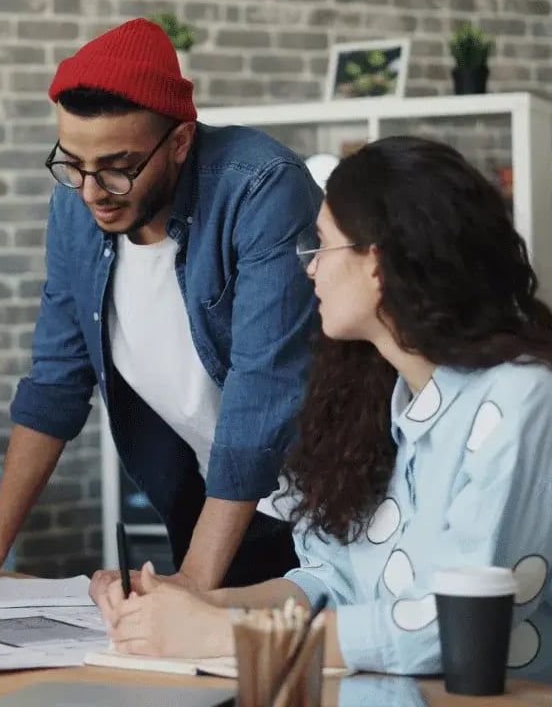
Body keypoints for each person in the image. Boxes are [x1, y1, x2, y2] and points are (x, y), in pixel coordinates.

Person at [95, 136, 552, 681]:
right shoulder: (379, 399)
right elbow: (328, 582)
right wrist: (189, 608)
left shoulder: (522, 400)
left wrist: (221, 634)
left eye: (321, 247)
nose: (308, 269)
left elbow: (450, 626)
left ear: (376, 264)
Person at [0, 18, 321, 589]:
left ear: (181, 143)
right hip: (223, 504)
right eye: (73, 163)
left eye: (118, 168)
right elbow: (56, 381)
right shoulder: (77, 210)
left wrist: (193, 581)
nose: (93, 191)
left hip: (336, 495)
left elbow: (263, 391)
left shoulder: (259, 185)